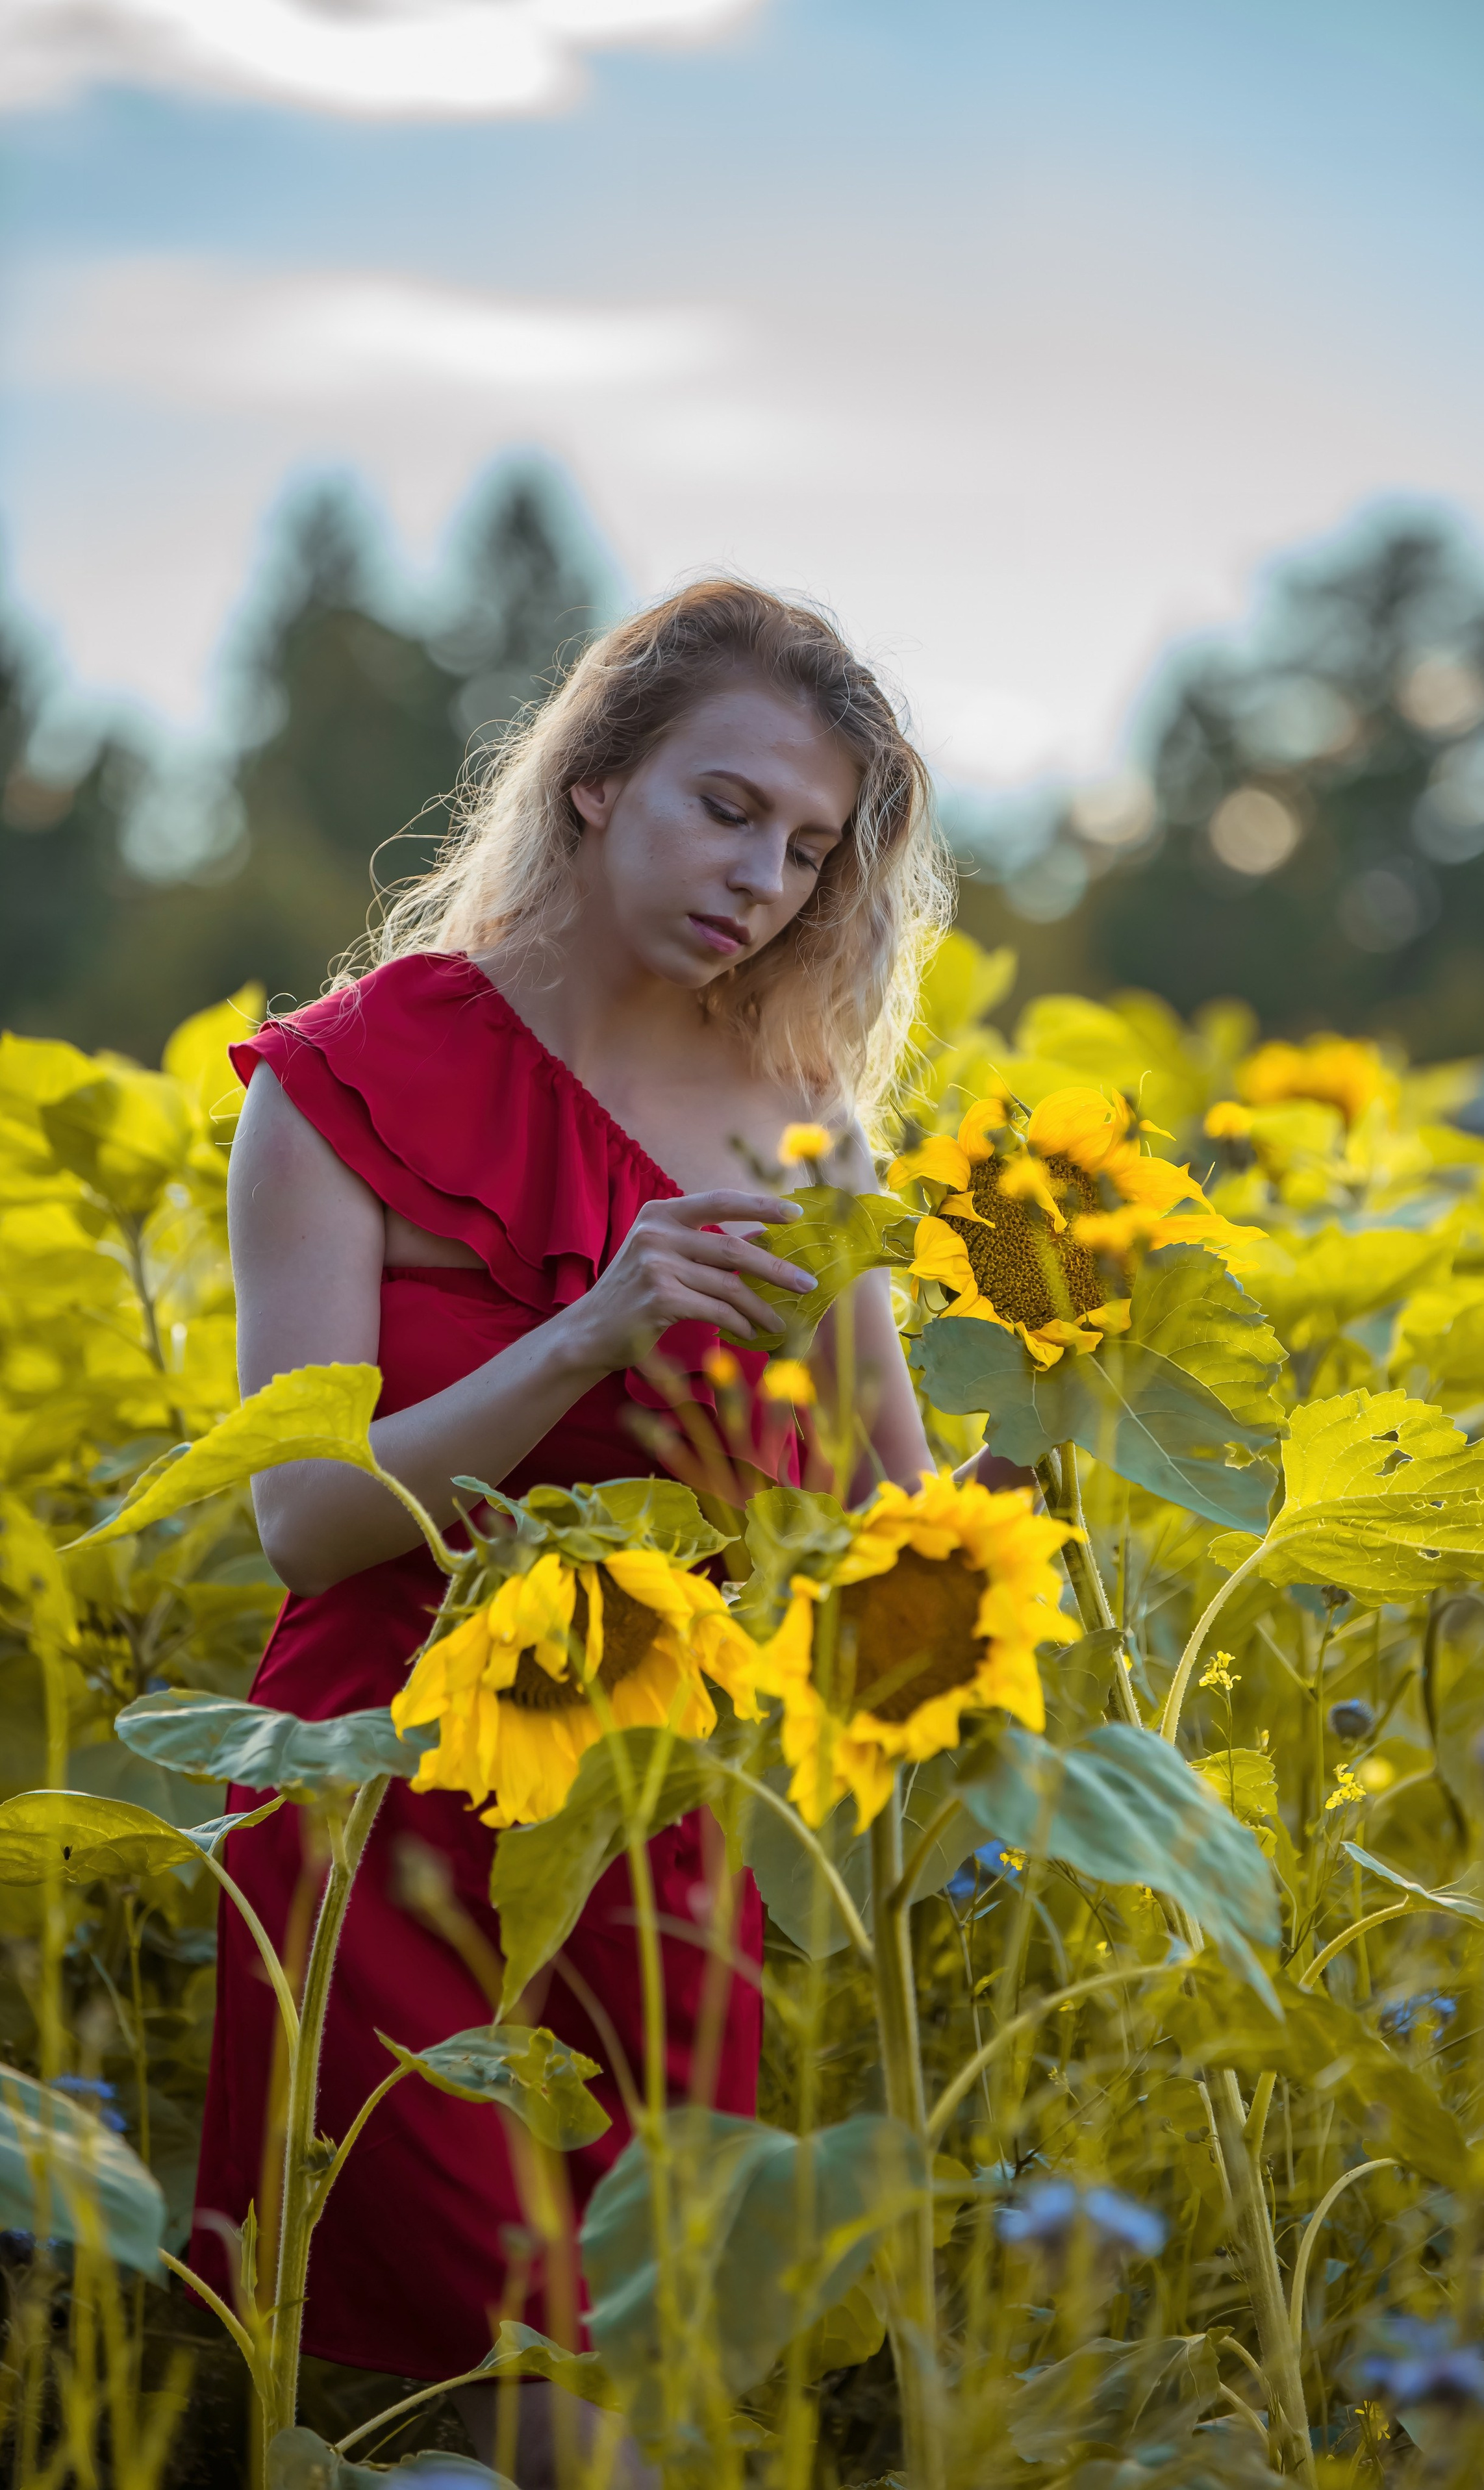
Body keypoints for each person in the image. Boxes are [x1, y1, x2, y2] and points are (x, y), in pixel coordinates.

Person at [188, 581, 951, 2481]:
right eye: (726, 806)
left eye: (805, 844)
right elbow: (306, 1519)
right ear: (599, 779)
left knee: (657, 2380)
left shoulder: (806, 1124)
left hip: (676, 1816)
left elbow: (891, 1498)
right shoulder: (342, 1086)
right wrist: (596, 1326)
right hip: (391, 1809)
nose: (763, 875)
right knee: (550, 2401)